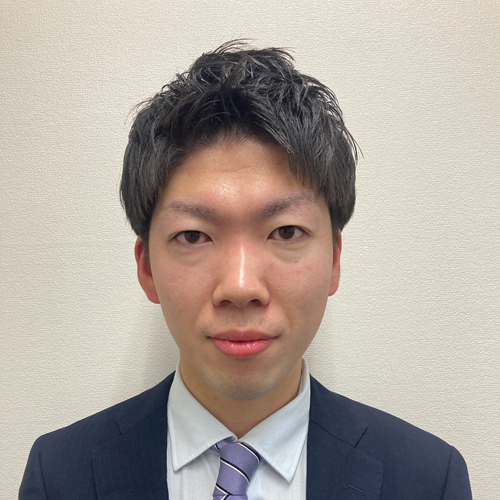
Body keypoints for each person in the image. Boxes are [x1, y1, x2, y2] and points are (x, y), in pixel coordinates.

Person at [19, 41, 472, 499]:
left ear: (334, 259)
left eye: (286, 231)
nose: (240, 287)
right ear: (147, 268)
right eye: (193, 235)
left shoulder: (428, 479)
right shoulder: (60, 476)